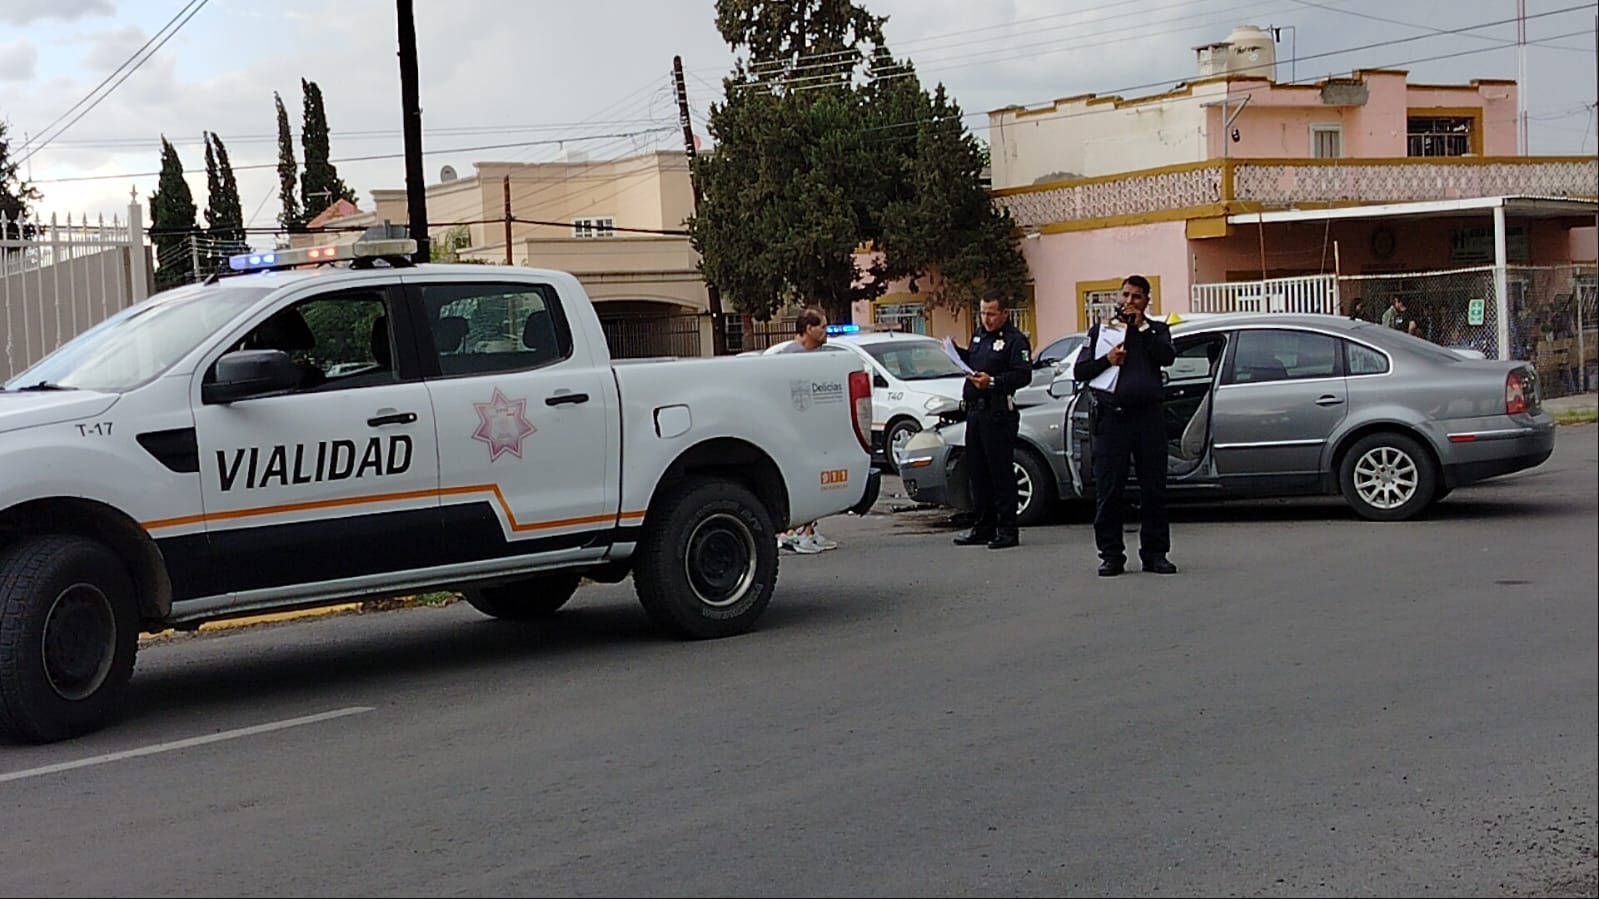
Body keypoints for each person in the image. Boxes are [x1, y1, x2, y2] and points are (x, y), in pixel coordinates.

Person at [1072, 275, 1178, 576]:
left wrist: (1142, 328)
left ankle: (1155, 553)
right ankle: (1111, 554)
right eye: (1126, 296)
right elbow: (1081, 370)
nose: (1129, 302)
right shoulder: (1104, 331)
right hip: (1113, 419)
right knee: (1109, 489)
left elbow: (1166, 357)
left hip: (1148, 418)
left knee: (1154, 489)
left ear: (1146, 301)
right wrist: (1107, 359)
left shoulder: (1156, 330)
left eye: (1136, 297)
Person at [951, 294, 1033, 550]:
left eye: (991, 314)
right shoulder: (979, 335)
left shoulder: (1015, 340)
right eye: (983, 313)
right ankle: (983, 526)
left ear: (1004, 314)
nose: (986, 319)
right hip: (975, 413)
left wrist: (994, 382)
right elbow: (975, 361)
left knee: (1000, 473)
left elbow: (1023, 375)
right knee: (978, 472)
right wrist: (956, 353)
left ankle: (1007, 529)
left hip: (998, 413)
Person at [777, 308, 838, 554]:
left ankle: (809, 531)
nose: (825, 332)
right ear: (808, 329)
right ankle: (796, 533)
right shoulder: (792, 356)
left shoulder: (811, 355)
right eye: (822, 327)